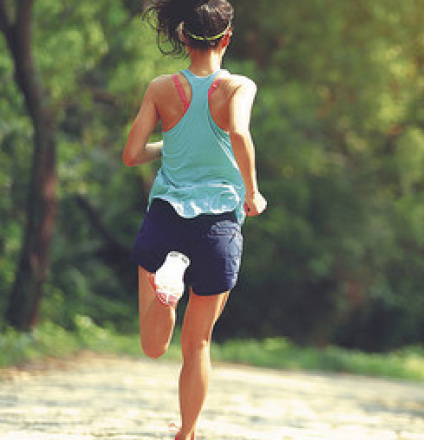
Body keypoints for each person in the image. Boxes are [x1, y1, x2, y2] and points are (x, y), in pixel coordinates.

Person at [122, 0, 266, 439]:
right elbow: (238, 132)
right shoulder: (239, 86)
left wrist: (174, 142)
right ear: (227, 38)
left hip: (166, 216)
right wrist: (253, 191)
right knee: (197, 343)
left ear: (183, 37)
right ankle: (185, 433)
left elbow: (131, 155)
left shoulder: (161, 88)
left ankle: (169, 288)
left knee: (153, 347)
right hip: (217, 224)